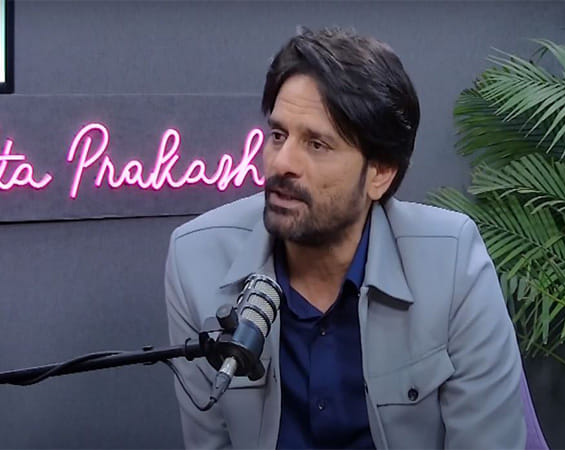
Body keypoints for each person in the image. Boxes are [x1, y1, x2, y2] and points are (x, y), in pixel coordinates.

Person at [165, 27, 528, 449]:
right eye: (278, 135)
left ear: (380, 173)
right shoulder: (196, 260)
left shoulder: (452, 265)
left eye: (317, 144)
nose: (281, 163)